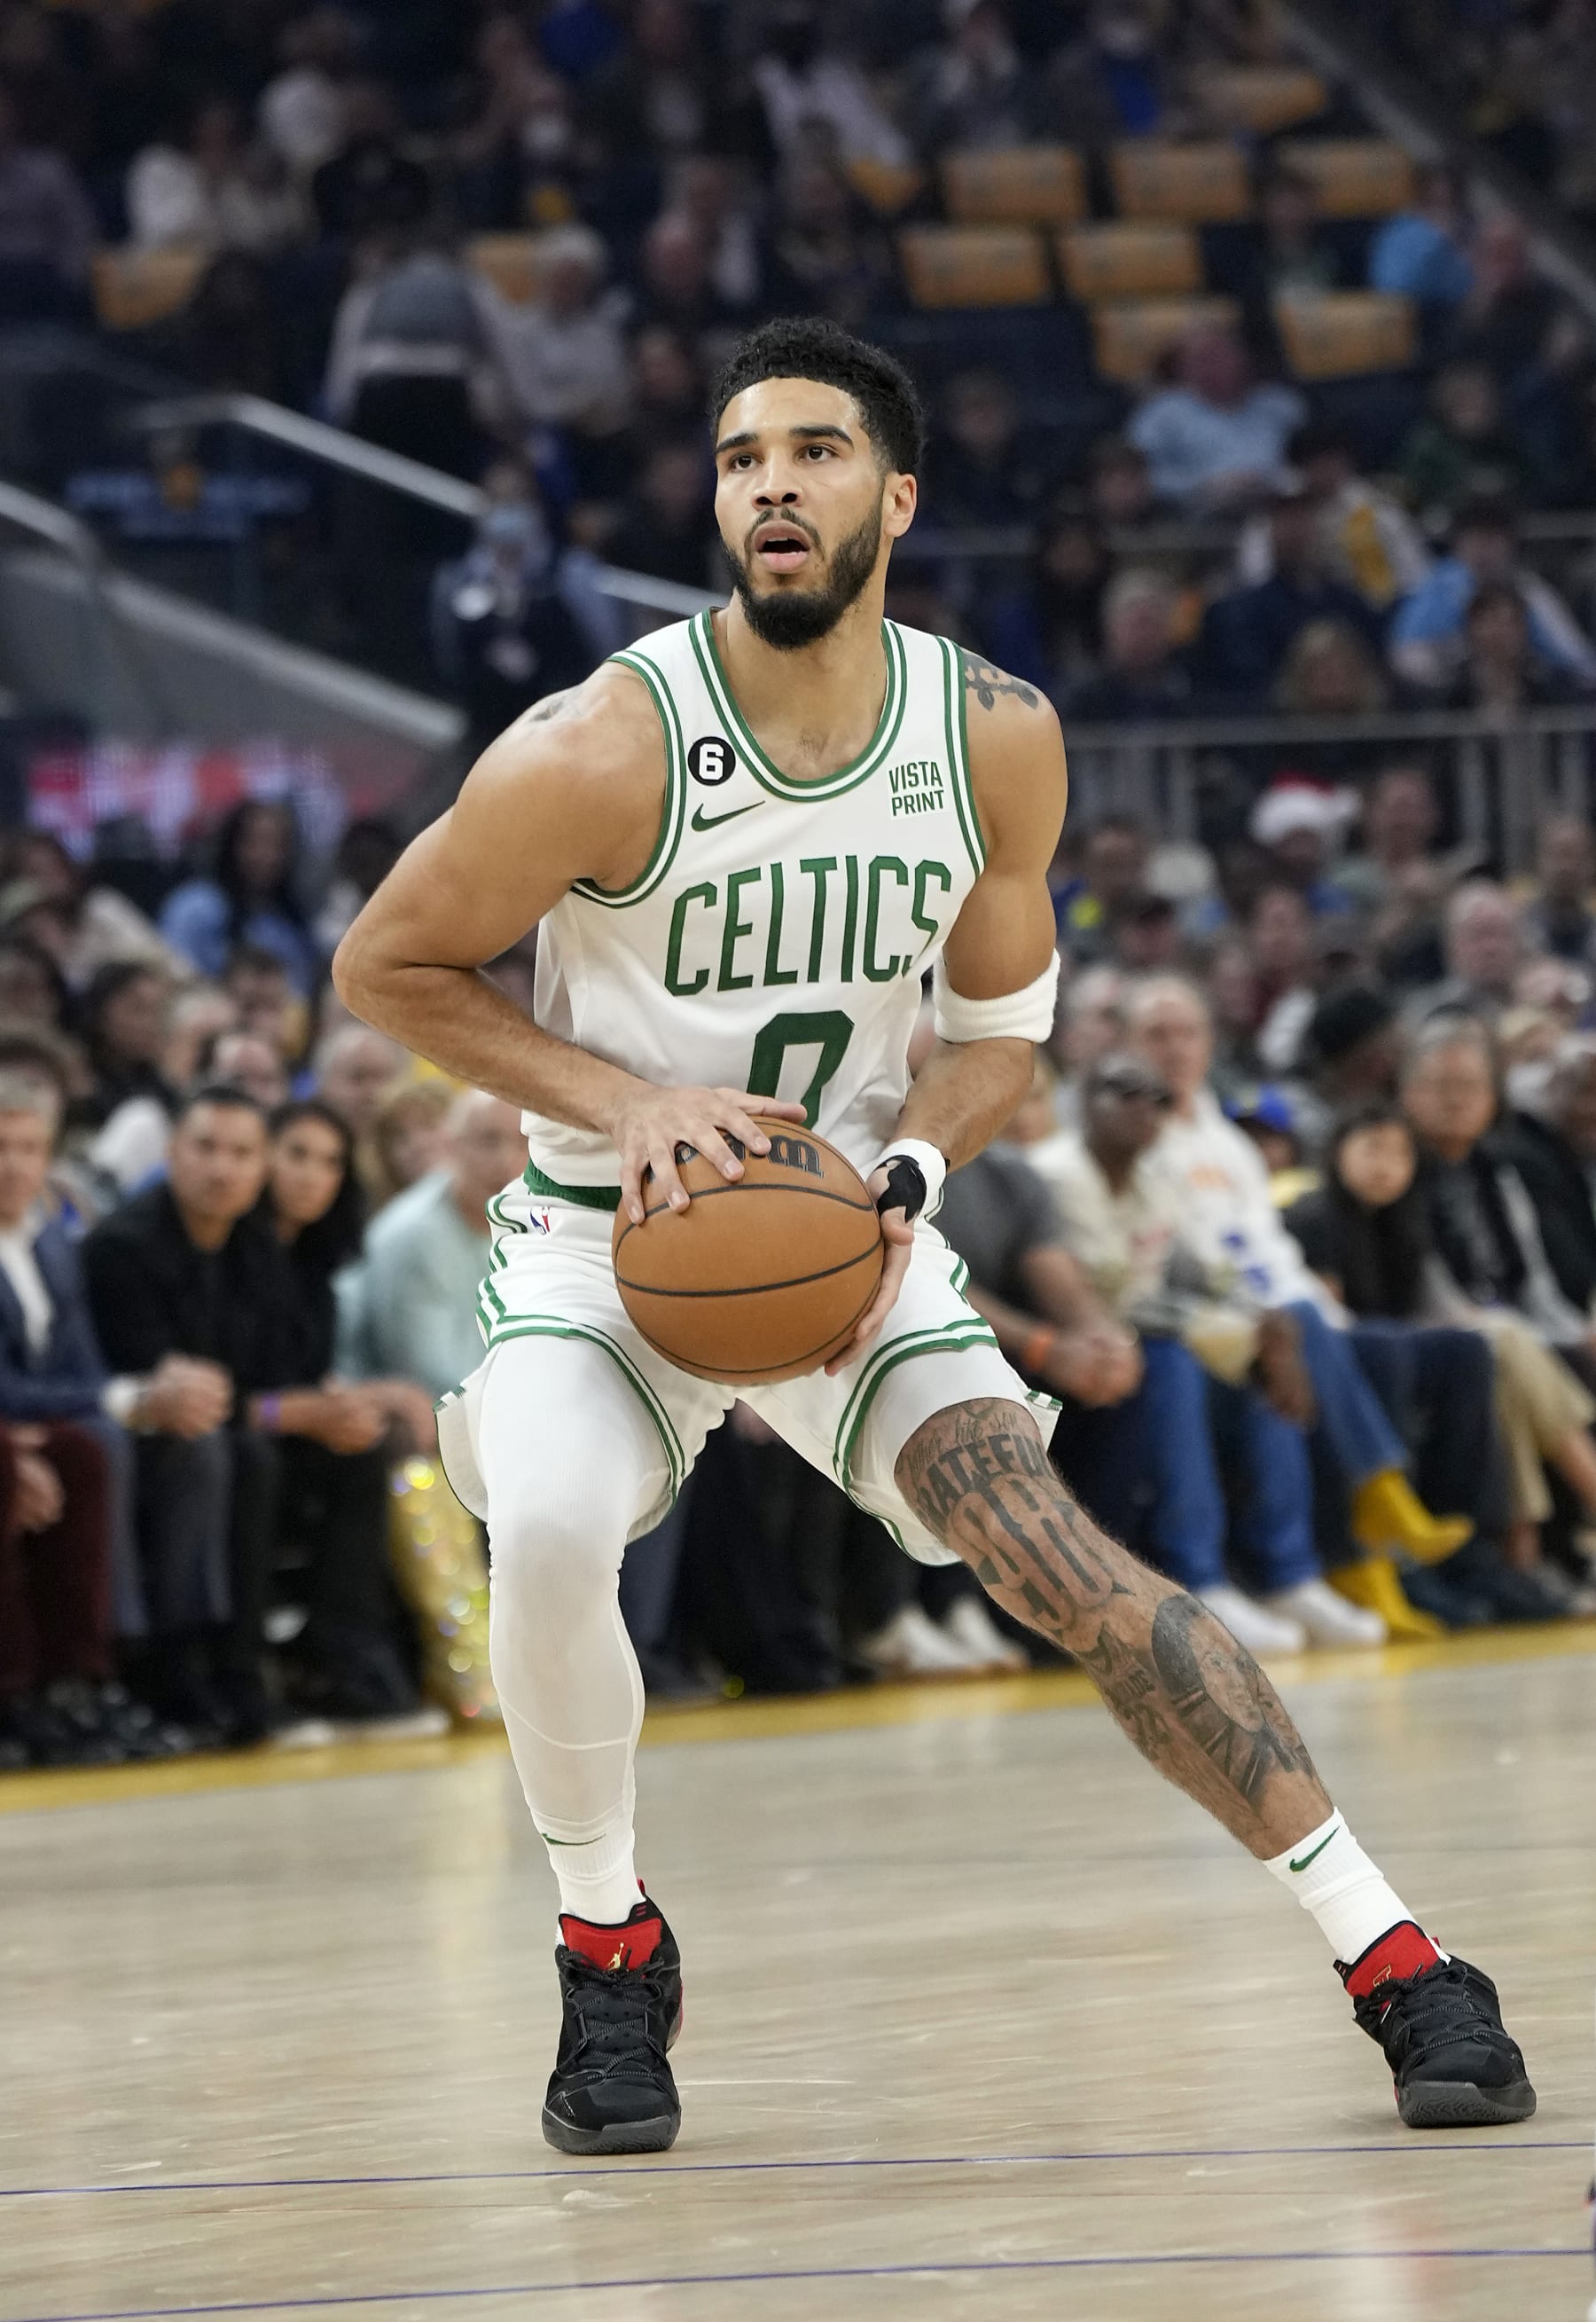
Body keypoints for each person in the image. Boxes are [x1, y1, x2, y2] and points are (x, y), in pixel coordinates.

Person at [334, 315, 1533, 2153]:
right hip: (609, 1241)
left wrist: (909, 1180)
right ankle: (607, 1944)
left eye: (810, 453)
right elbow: (386, 964)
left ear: (895, 494)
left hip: (847, 1242)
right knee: (555, 1528)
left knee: (1054, 1551)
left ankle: (1395, 1955)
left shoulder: (993, 741)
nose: (770, 488)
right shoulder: (603, 744)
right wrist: (626, 1099)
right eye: (741, 460)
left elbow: (997, 1038)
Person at [82, 1086, 413, 1741]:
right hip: (146, 1436)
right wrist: (284, 1410)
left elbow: (278, 1373)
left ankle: (334, 1656)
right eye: (205, 1148)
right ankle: (218, 1669)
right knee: (238, 1455)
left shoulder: (257, 1247)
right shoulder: (122, 1247)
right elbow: (155, 1394)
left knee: (363, 1447)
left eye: (240, 1153)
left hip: (241, 1427)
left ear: (258, 1170)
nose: (221, 1168)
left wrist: (329, 1405)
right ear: (173, 1153)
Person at [1126, 977, 1476, 1583]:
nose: (1175, 1049)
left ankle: (1383, 1568)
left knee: (1385, 1346)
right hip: (1192, 1315)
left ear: (1209, 1044)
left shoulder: (1230, 1142)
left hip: (1273, 1303)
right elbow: (1183, 1262)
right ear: (1129, 1044)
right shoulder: (1133, 1139)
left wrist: (1311, 1303)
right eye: (1157, 1035)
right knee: (1298, 1333)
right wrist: (1288, 1307)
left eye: (1188, 1033)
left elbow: (1271, 1245)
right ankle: (1372, 1507)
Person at [1040, 1053, 1381, 1651]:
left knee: (1267, 1355)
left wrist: (1259, 1319)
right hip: (1066, 1359)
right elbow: (1103, 1299)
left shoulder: (1154, 1178)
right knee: (1180, 1357)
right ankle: (1199, 1578)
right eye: (1125, 1091)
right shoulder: (1057, 1175)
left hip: (1150, 1343)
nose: (1145, 1108)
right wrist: (1218, 1330)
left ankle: (1288, 1574)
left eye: (1158, 1098)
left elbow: (1201, 1269)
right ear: (1085, 1101)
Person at [259, 1102, 467, 1728]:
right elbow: (241, 1377)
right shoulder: (235, 1246)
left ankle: (367, 1664)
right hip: (243, 1429)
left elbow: (308, 1369)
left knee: (374, 1438)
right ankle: (320, 1666)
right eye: (296, 1154)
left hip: (293, 1421)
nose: (310, 1175)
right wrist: (305, 1408)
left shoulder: (316, 1257)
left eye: (329, 1162)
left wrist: (366, 1397)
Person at [1128, 325, 1305, 512]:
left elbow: (1313, 459)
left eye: (1220, 356)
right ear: (1181, 367)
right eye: (1202, 359)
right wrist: (1203, 484)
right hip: (1201, 515)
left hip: (1281, 508)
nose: (1213, 366)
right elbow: (1138, 476)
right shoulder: (1162, 414)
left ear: (1241, 359)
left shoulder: (1278, 405)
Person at [160, 800, 322, 995]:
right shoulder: (195, 908)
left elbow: (303, 990)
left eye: (278, 845)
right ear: (231, 844)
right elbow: (174, 978)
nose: (267, 856)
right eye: (255, 842)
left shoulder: (290, 923)